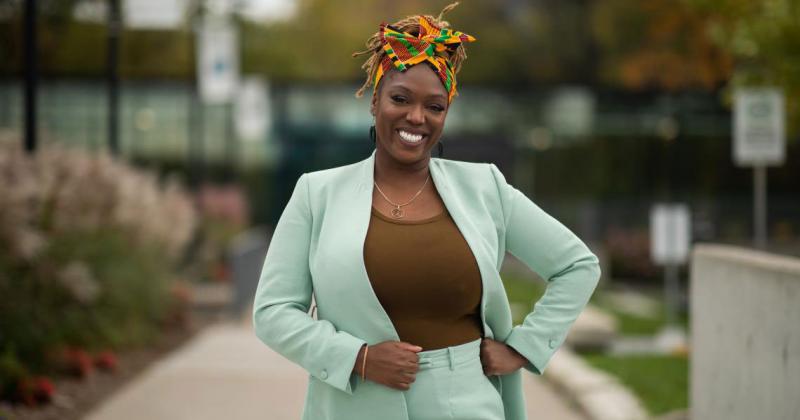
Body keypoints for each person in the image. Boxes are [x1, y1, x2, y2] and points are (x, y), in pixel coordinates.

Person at [252, 3, 601, 420]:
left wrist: (523, 347)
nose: (416, 117)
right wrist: (357, 357)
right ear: (374, 100)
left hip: (466, 404)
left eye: (435, 106)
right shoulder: (317, 194)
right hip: (354, 405)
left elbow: (577, 265)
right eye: (400, 98)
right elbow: (273, 312)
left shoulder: (485, 188)